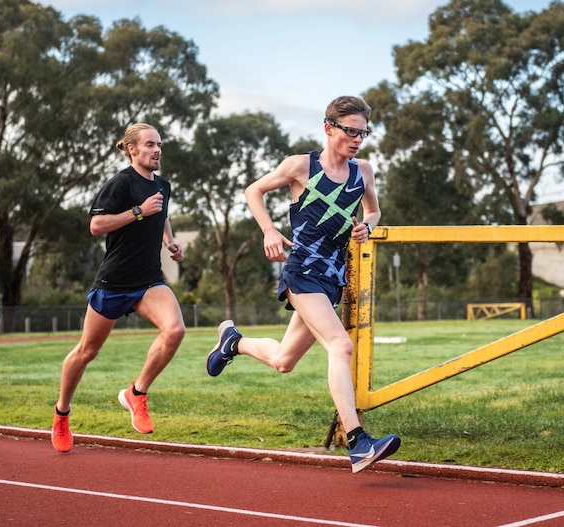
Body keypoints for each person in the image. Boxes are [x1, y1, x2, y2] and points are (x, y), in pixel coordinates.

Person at [206, 96, 401, 473]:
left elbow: (374, 211)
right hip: (302, 271)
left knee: (283, 361)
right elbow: (253, 191)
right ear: (329, 128)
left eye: (363, 132)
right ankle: (359, 442)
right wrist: (269, 231)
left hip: (333, 278)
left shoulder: (364, 171)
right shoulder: (301, 166)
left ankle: (234, 342)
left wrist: (368, 227)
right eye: (350, 131)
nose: (358, 139)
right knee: (340, 345)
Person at [51, 122, 185, 452]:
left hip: (149, 280)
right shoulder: (120, 184)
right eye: (150, 145)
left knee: (176, 330)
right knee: (86, 351)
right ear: (132, 150)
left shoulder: (163, 186)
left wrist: (170, 241)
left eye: (159, 145)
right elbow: (96, 225)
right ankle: (61, 414)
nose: (157, 150)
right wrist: (138, 211)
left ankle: (136, 394)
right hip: (114, 282)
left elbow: (161, 211)